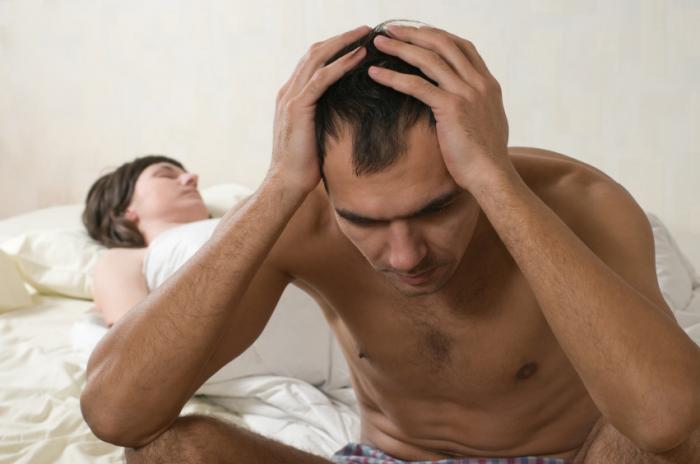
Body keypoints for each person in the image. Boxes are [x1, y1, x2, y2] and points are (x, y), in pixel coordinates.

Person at [80, 20, 700, 464]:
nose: (405, 256)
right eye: (365, 221)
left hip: (567, 457)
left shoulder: (580, 200)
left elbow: (667, 421)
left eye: (439, 207)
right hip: (386, 459)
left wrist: (494, 181)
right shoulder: (301, 215)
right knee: (170, 450)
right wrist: (279, 187)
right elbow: (116, 416)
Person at [81, 155, 348, 389]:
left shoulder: (240, 217)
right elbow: (134, 351)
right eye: (166, 175)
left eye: (185, 173)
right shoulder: (124, 259)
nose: (191, 178)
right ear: (124, 210)